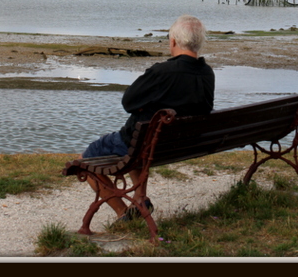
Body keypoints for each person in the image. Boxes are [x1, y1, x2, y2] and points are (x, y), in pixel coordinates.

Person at [80, 14, 215, 220]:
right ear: (200, 43)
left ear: (173, 41)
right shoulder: (207, 74)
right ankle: (140, 198)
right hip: (179, 144)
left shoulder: (162, 72)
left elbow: (128, 102)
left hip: (146, 143)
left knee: (87, 158)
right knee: (142, 135)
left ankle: (123, 213)